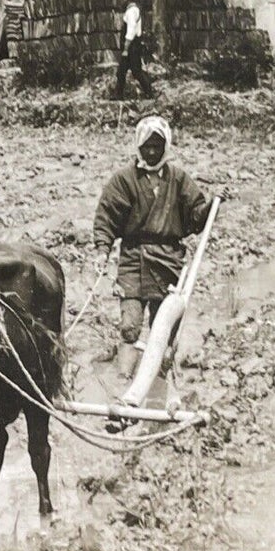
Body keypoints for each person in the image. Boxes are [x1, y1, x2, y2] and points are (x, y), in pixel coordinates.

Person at [91, 116, 211, 375]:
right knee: (130, 326)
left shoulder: (178, 179)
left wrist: (212, 204)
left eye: (158, 145)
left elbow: (197, 213)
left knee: (163, 326)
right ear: (138, 146)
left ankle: (160, 377)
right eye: (147, 146)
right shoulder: (123, 180)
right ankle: (123, 382)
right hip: (133, 259)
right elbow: (106, 217)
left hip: (167, 260)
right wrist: (102, 249)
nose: (153, 151)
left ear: (166, 146)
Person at [114, 0, 154, 100]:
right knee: (122, 71)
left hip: (132, 47)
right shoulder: (134, 10)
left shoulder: (131, 12)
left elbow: (131, 31)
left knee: (136, 71)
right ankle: (118, 95)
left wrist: (126, 48)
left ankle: (149, 92)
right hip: (133, 46)